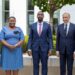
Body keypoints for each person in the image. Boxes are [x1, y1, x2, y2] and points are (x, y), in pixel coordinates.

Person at [28, 11, 53, 75]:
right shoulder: (33, 25)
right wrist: (29, 48)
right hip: (35, 49)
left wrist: (50, 48)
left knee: (44, 66)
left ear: (43, 16)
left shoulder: (47, 25)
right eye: (38, 14)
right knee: (35, 66)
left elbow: (50, 37)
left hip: (45, 49)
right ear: (37, 16)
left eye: (41, 14)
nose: (40, 16)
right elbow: (30, 37)